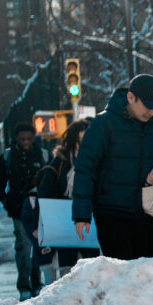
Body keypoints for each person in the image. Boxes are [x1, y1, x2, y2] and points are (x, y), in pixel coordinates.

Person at [71, 74, 153, 260]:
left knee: (152, 274)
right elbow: (85, 169)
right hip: (111, 214)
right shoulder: (103, 124)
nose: (152, 112)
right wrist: (81, 214)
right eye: (147, 105)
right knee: (120, 275)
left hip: (146, 211)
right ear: (131, 98)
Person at [0, 122, 49, 299]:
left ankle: (35, 284)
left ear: (34, 138)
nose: (26, 142)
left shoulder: (42, 155)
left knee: (37, 244)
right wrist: (5, 199)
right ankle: (26, 285)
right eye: (22, 139)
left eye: (29, 139)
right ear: (16, 139)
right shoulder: (8, 157)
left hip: (38, 208)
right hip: (19, 208)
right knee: (25, 246)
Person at [38, 118, 99, 276]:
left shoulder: (98, 158)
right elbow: (45, 190)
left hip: (90, 219)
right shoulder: (61, 161)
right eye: (79, 140)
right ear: (72, 141)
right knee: (69, 271)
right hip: (65, 220)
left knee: (93, 266)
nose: (82, 144)